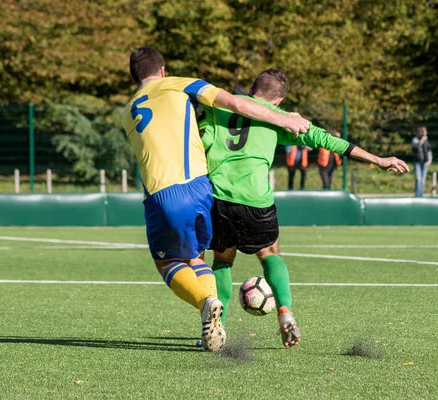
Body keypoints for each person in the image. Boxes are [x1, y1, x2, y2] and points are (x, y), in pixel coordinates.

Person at [200, 69, 409, 348]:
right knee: (270, 253)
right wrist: (377, 159)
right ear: (279, 100)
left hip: (219, 198)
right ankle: (285, 311)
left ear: (252, 89)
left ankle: (217, 326)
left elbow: (200, 142)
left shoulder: (222, 109)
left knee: (222, 261)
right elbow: (328, 141)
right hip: (255, 200)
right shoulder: (280, 119)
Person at [121, 48, 310, 352]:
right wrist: (283, 118)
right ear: (163, 70)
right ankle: (215, 327)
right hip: (200, 187)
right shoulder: (182, 84)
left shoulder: (128, 110)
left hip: (161, 192)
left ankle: (206, 301)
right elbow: (236, 103)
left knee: (167, 261)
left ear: (134, 78)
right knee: (197, 257)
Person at [412, 126, 432, 197]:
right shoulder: (415, 139)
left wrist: (429, 160)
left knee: (423, 180)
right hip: (417, 162)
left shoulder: (427, 141)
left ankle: (421, 195)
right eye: (422, 131)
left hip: (425, 162)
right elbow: (417, 146)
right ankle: (417, 195)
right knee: (418, 179)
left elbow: (429, 151)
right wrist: (423, 139)